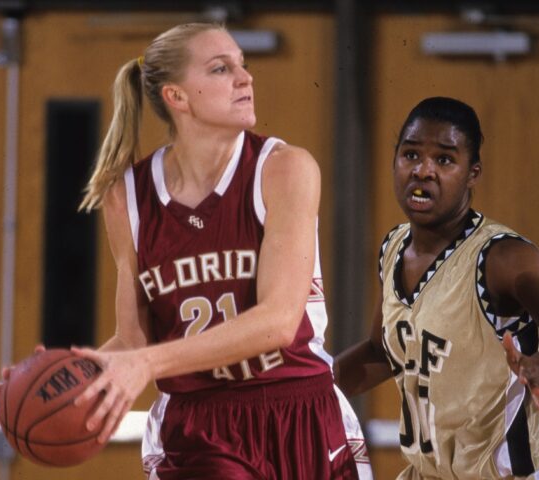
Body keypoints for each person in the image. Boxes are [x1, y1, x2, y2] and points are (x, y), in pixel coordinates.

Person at [65, 23, 372, 479]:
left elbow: (277, 323)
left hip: (301, 412)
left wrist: (145, 362)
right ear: (177, 96)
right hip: (198, 427)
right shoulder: (127, 197)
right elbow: (133, 340)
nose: (245, 78)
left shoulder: (284, 169)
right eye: (221, 68)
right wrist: (62, 377)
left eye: (242, 65)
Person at [334, 97, 539, 480]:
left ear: (472, 174)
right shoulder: (393, 247)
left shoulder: (503, 257)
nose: (423, 170)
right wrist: (308, 385)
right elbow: (383, 352)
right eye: (411, 155)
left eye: (444, 159)